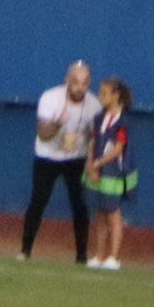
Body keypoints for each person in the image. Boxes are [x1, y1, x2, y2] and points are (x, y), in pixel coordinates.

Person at [23, 61, 100, 263]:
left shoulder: (94, 105)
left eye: (84, 83)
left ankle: (81, 256)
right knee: (38, 201)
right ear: (67, 80)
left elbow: (94, 137)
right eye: (75, 82)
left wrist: (91, 162)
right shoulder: (50, 98)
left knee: (80, 205)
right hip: (47, 156)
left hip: (76, 158)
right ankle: (25, 251)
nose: (79, 88)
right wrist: (58, 123)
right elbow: (44, 134)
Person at [84, 76, 135, 270]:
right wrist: (90, 163)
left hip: (113, 172)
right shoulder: (98, 119)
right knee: (100, 214)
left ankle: (113, 257)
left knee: (113, 214)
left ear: (116, 96)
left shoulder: (122, 122)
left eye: (104, 93)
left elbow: (118, 149)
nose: (100, 96)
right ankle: (99, 255)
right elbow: (92, 142)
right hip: (97, 169)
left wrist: (98, 163)